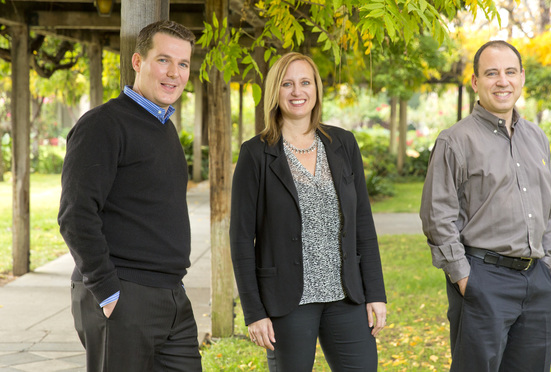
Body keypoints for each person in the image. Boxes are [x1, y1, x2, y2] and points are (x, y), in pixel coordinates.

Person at [58, 20, 201, 372]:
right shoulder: (103, 125)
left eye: (183, 64)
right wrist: (107, 291)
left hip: (171, 296)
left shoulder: (164, 128)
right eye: (163, 60)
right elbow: (76, 215)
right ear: (138, 62)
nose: (174, 73)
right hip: (124, 294)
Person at [229, 52, 387, 371]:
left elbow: (363, 226)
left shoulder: (343, 143)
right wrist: (254, 312)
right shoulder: (256, 154)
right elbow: (241, 240)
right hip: (288, 301)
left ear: (316, 89)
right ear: (275, 91)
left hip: (346, 297)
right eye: (287, 84)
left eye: (305, 82)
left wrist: (376, 293)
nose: (297, 91)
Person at [419, 40, 551, 372]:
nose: (503, 81)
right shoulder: (455, 140)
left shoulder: (537, 137)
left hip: (536, 281)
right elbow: (437, 215)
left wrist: (546, 263)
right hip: (483, 278)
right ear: (475, 82)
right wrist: (464, 277)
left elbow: (548, 206)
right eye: (492, 73)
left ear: (522, 77)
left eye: (510, 72)